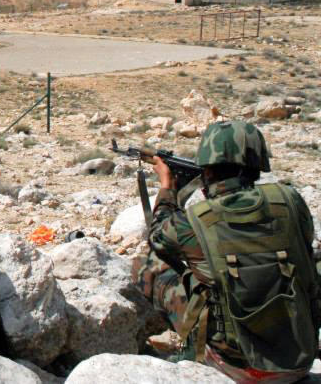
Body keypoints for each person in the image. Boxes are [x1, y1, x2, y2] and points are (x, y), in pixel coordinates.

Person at [134, 120, 321, 383]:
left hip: (236, 366)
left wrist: (168, 188)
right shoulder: (290, 200)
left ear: (206, 170)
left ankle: (193, 351)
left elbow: (158, 238)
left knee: (148, 266)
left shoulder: (196, 221)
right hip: (299, 357)